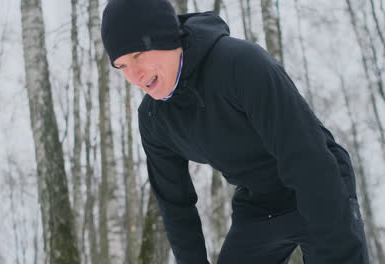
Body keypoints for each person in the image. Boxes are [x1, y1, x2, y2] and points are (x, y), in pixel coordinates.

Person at [100, 0, 370, 263]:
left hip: (319, 184)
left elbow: (305, 157)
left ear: (167, 37)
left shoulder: (240, 64)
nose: (134, 75)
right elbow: (175, 207)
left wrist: (336, 248)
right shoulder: (153, 119)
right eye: (122, 66)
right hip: (260, 204)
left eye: (137, 54)